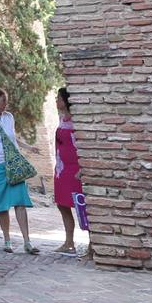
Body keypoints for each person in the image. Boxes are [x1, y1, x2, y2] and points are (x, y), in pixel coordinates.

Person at [0, 88, 37, 254]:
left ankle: (27, 241)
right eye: (3, 100)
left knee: (20, 203)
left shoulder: (9, 117)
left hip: (13, 166)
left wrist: (28, 147)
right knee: (2, 206)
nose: (5, 103)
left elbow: (12, 138)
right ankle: (7, 240)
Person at [53, 87, 85, 256]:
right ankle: (69, 242)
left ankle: (93, 245)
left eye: (58, 98)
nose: (56, 100)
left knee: (82, 206)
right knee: (62, 204)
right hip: (61, 169)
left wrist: (82, 168)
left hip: (74, 170)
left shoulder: (77, 121)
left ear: (66, 100)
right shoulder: (61, 118)